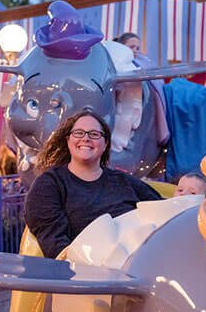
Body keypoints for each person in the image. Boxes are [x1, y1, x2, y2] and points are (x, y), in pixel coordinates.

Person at [24, 111, 162, 259]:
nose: (86, 138)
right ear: (68, 140)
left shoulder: (124, 181)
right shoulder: (50, 184)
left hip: (141, 260)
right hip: (86, 268)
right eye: (78, 133)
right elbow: (55, 243)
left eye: (94, 134)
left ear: (105, 144)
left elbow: (161, 211)